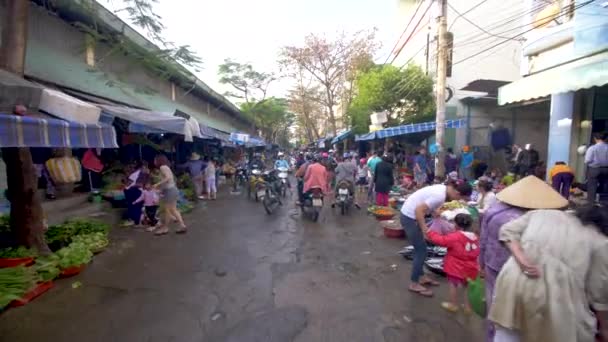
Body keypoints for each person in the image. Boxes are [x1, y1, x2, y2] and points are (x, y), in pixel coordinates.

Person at [489, 204, 608, 342]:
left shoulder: (542, 213)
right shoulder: (601, 242)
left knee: (508, 331)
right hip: (556, 297)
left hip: (512, 282)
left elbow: (507, 231)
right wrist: (604, 327)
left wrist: (521, 258)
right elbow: (599, 293)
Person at [479, 175, 568, 342]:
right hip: (528, 271)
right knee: (527, 313)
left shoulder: (493, 210)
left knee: (496, 308)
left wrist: (481, 263)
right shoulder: (544, 218)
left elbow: (483, 240)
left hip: (494, 265)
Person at [400, 181, 473, 297]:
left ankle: (422, 277)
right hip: (409, 217)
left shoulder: (443, 189)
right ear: (457, 193)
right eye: (459, 198)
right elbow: (418, 210)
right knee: (421, 251)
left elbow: (425, 205)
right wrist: (425, 229)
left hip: (411, 215)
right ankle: (414, 283)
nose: (457, 200)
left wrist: (434, 213)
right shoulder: (440, 196)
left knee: (421, 248)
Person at [424, 214, 479, 313]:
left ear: (457, 225)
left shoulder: (455, 236)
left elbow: (441, 240)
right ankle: (467, 307)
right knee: (466, 286)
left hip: (455, 267)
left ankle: (453, 305)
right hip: (471, 267)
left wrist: (430, 233)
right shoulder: (475, 237)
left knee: (453, 285)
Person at [152, 154, 186, 235]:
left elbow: (168, 178)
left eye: (155, 160)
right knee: (173, 209)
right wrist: (161, 189)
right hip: (172, 190)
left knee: (168, 211)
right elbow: (169, 179)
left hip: (170, 191)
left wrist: (157, 184)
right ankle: (182, 225)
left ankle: (165, 228)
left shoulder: (162, 167)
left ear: (158, 160)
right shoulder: (166, 167)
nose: (154, 161)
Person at [585, 132, 608, 203]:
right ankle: (604, 202)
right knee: (605, 185)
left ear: (595, 139)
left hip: (594, 169)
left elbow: (587, 160)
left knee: (592, 186)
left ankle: (591, 203)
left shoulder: (592, 148)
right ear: (605, 139)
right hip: (606, 169)